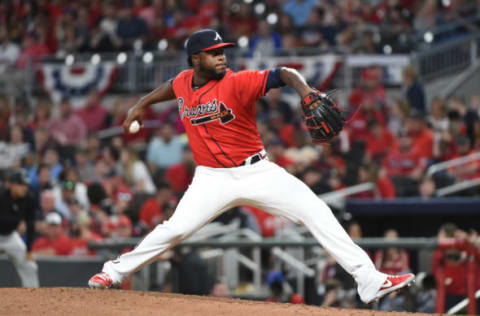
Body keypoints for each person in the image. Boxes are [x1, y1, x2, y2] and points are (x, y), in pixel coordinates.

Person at [88, 29, 414, 303]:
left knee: (316, 211)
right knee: (175, 229)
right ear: (196, 59)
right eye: (213, 53)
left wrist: (306, 91)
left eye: (223, 51)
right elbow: (172, 86)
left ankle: (368, 279)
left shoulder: (238, 82)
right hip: (211, 179)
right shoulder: (185, 82)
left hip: (257, 172)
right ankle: (113, 272)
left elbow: (283, 73)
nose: (221, 57)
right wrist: (140, 104)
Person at [0, 170, 39, 287]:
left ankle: (33, 295)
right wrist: (17, 221)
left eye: (26, 185)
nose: (24, 188)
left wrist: (29, 249)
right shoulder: (1, 196)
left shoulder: (28, 199)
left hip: (10, 236)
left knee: (30, 265)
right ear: (12, 184)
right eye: (21, 184)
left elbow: (31, 224)